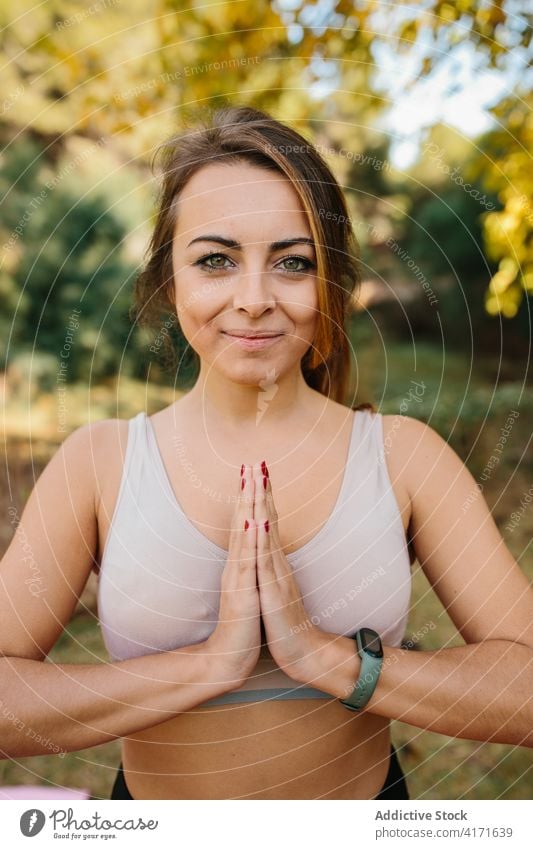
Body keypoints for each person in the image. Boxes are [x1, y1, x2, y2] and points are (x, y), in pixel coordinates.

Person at [1, 106, 532, 801]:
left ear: (328, 284)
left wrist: (329, 659)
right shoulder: (99, 462)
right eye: (215, 260)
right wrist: (204, 666)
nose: (252, 300)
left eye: (291, 262)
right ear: (170, 279)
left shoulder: (404, 457)